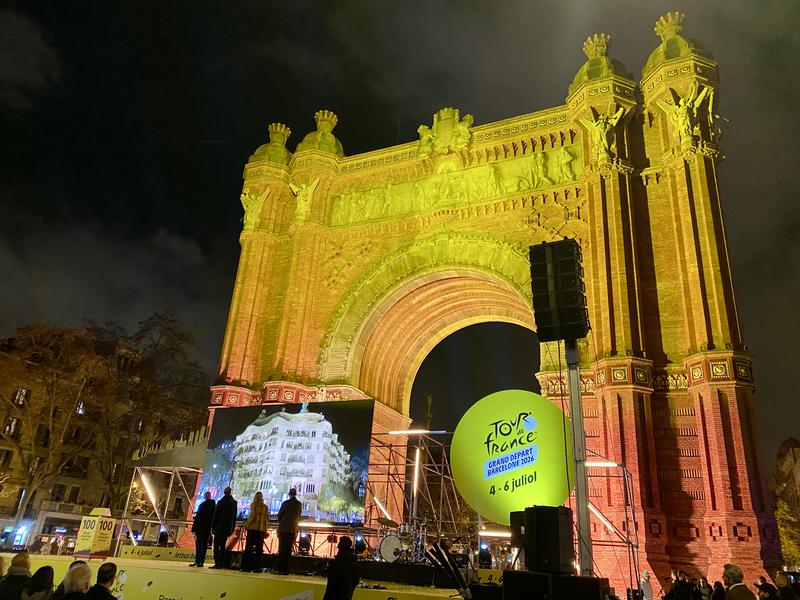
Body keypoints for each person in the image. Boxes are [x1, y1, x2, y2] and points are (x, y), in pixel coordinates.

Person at [275, 488, 302, 575]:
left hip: (283, 529)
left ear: (289, 494)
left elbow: (279, 515)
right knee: (288, 549)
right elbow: (299, 516)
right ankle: (286, 568)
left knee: (282, 548)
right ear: (296, 494)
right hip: (293, 529)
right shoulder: (299, 504)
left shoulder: (285, 503)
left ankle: (280, 568)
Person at [323, 536, 360, 600]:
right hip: (346, 595)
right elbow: (356, 581)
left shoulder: (335, 563)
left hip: (332, 596)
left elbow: (330, 578)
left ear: (340, 547)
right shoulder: (354, 563)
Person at [211, 487, 238, 569]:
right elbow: (234, 517)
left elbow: (215, 515)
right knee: (223, 546)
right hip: (227, 528)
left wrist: (212, 526)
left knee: (216, 546)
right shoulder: (234, 503)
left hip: (218, 527)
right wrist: (232, 528)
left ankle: (217, 562)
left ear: (224, 492)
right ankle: (221, 563)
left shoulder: (220, 502)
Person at [241, 491, 268, 573]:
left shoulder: (254, 505)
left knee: (249, 549)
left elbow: (252, 516)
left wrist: (246, 525)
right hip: (261, 530)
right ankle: (257, 568)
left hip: (252, 530)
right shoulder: (265, 507)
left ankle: (247, 567)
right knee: (259, 550)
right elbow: (266, 519)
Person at [190, 491, 216, 568]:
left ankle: (197, 561)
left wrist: (193, 528)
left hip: (200, 528)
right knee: (204, 545)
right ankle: (201, 561)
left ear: (205, 497)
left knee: (199, 545)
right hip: (207, 529)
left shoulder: (202, 505)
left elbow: (198, 518)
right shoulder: (214, 506)